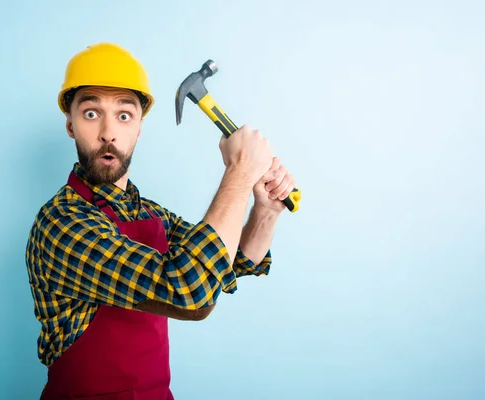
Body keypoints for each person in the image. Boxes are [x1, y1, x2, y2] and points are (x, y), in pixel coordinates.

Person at [25, 42, 297, 400]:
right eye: (91, 113)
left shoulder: (152, 214)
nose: (109, 132)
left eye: (124, 115)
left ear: (139, 128)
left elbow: (233, 260)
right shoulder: (63, 223)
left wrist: (265, 210)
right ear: (70, 125)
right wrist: (240, 171)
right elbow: (191, 295)